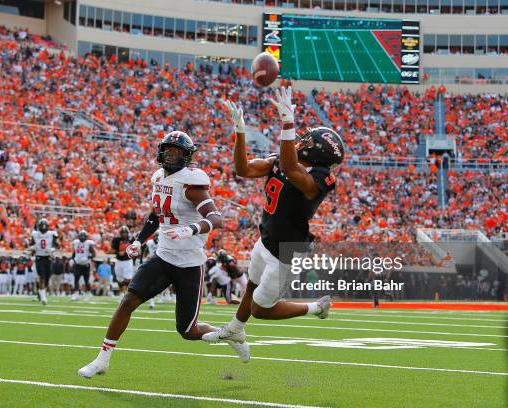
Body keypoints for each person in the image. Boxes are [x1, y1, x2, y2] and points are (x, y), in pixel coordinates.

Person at [78, 130, 241, 379]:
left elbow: (216, 218)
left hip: (189, 263)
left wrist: (191, 228)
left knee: (187, 331)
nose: (171, 155)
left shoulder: (192, 183)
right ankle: (102, 359)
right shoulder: (158, 177)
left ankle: (227, 334)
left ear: (186, 157)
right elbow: (156, 216)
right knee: (128, 301)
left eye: (177, 152)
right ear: (161, 151)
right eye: (168, 149)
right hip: (163, 256)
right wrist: (138, 240)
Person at [203, 88, 344, 356]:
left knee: (260, 308)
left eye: (308, 141)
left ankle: (316, 308)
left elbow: (292, 170)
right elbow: (243, 169)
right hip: (266, 239)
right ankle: (235, 329)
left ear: (317, 154)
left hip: (286, 252)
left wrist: (287, 124)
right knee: (251, 288)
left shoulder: (322, 178)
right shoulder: (282, 158)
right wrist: (240, 131)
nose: (302, 140)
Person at [29, 218, 59, 305]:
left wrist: (52, 249)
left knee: (47, 278)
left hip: (48, 258)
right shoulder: (35, 234)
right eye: (42, 226)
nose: (43, 227)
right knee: (41, 277)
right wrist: (32, 248)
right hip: (39, 258)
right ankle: (43, 298)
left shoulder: (52, 234)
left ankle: (41, 294)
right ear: (39, 226)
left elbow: (58, 245)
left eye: (45, 226)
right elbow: (30, 245)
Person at [70, 230, 96, 301]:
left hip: (85, 265)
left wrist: (88, 258)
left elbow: (94, 254)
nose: (82, 237)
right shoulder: (76, 243)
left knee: (86, 281)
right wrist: (72, 259)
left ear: (86, 237)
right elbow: (74, 253)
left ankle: (87, 294)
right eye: (81, 236)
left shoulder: (88, 244)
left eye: (83, 236)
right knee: (76, 279)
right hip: (77, 264)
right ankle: (76, 294)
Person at [110, 226, 134, 297]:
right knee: (120, 280)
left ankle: (126, 294)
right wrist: (118, 252)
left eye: (125, 233)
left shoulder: (132, 239)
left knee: (128, 279)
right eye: (123, 233)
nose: (124, 234)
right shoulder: (116, 240)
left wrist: (128, 253)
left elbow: (136, 250)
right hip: (119, 261)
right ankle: (121, 293)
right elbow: (112, 250)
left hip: (128, 261)